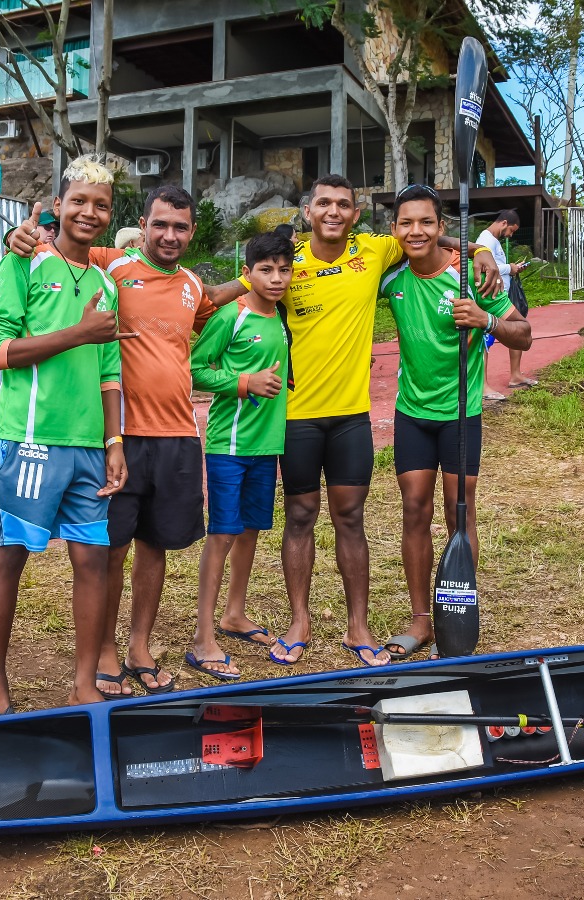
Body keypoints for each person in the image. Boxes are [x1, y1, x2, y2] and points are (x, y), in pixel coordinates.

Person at [218, 174, 504, 668]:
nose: (333, 211)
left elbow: (424, 235)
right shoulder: (284, 265)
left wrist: (479, 246)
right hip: (297, 417)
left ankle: (359, 627)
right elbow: (224, 299)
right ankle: (299, 622)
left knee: (351, 519)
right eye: (323, 203)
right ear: (307, 211)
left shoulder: (374, 252)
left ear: (355, 214)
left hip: (352, 418)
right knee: (300, 517)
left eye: (344, 204)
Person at [6, 186, 237, 698]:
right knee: (110, 549)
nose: (169, 235)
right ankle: (105, 651)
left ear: (192, 232)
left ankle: (139, 646)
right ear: (142, 224)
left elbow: (204, 310)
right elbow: (57, 245)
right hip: (120, 436)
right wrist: (17, 235)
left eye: (180, 227)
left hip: (178, 436)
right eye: (160, 225)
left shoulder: (192, 285)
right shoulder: (113, 267)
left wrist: (251, 281)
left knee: (155, 547)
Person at [0, 155, 134, 715]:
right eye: (79, 201)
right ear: (59, 206)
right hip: (28, 440)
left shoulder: (103, 284)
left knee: (92, 562)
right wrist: (76, 333)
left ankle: (84, 682)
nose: (89, 212)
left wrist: (115, 443)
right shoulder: (23, 264)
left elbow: (111, 373)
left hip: (90, 447)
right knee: (10, 557)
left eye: (101, 205)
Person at [380, 185, 531, 660]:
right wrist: (481, 245)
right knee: (414, 510)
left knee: (458, 513)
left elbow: (523, 335)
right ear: (395, 229)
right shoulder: (390, 276)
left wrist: (486, 319)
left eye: (426, 222)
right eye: (407, 222)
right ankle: (422, 620)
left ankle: (457, 610)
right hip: (412, 414)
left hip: (461, 416)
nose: (416, 231)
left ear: (441, 227)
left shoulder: (468, 278)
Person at [185, 230, 293, 680]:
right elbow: (195, 370)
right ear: (245, 274)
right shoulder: (232, 315)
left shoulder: (282, 318)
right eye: (265, 270)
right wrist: (244, 383)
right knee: (223, 535)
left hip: (266, 446)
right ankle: (202, 635)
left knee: (249, 531)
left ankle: (234, 614)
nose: (276, 278)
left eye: (283, 270)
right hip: (229, 444)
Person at [475, 209, 533, 394]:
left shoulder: (493, 241)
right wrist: (511, 267)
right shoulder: (485, 239)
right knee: (484, 339)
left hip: (501, 298)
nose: (510, 235)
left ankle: (515, 375)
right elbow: (483, 266)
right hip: (490, 298)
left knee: (517, 329)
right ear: (504, 223)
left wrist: (512, 269)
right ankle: (482, 386)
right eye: (511, 230)